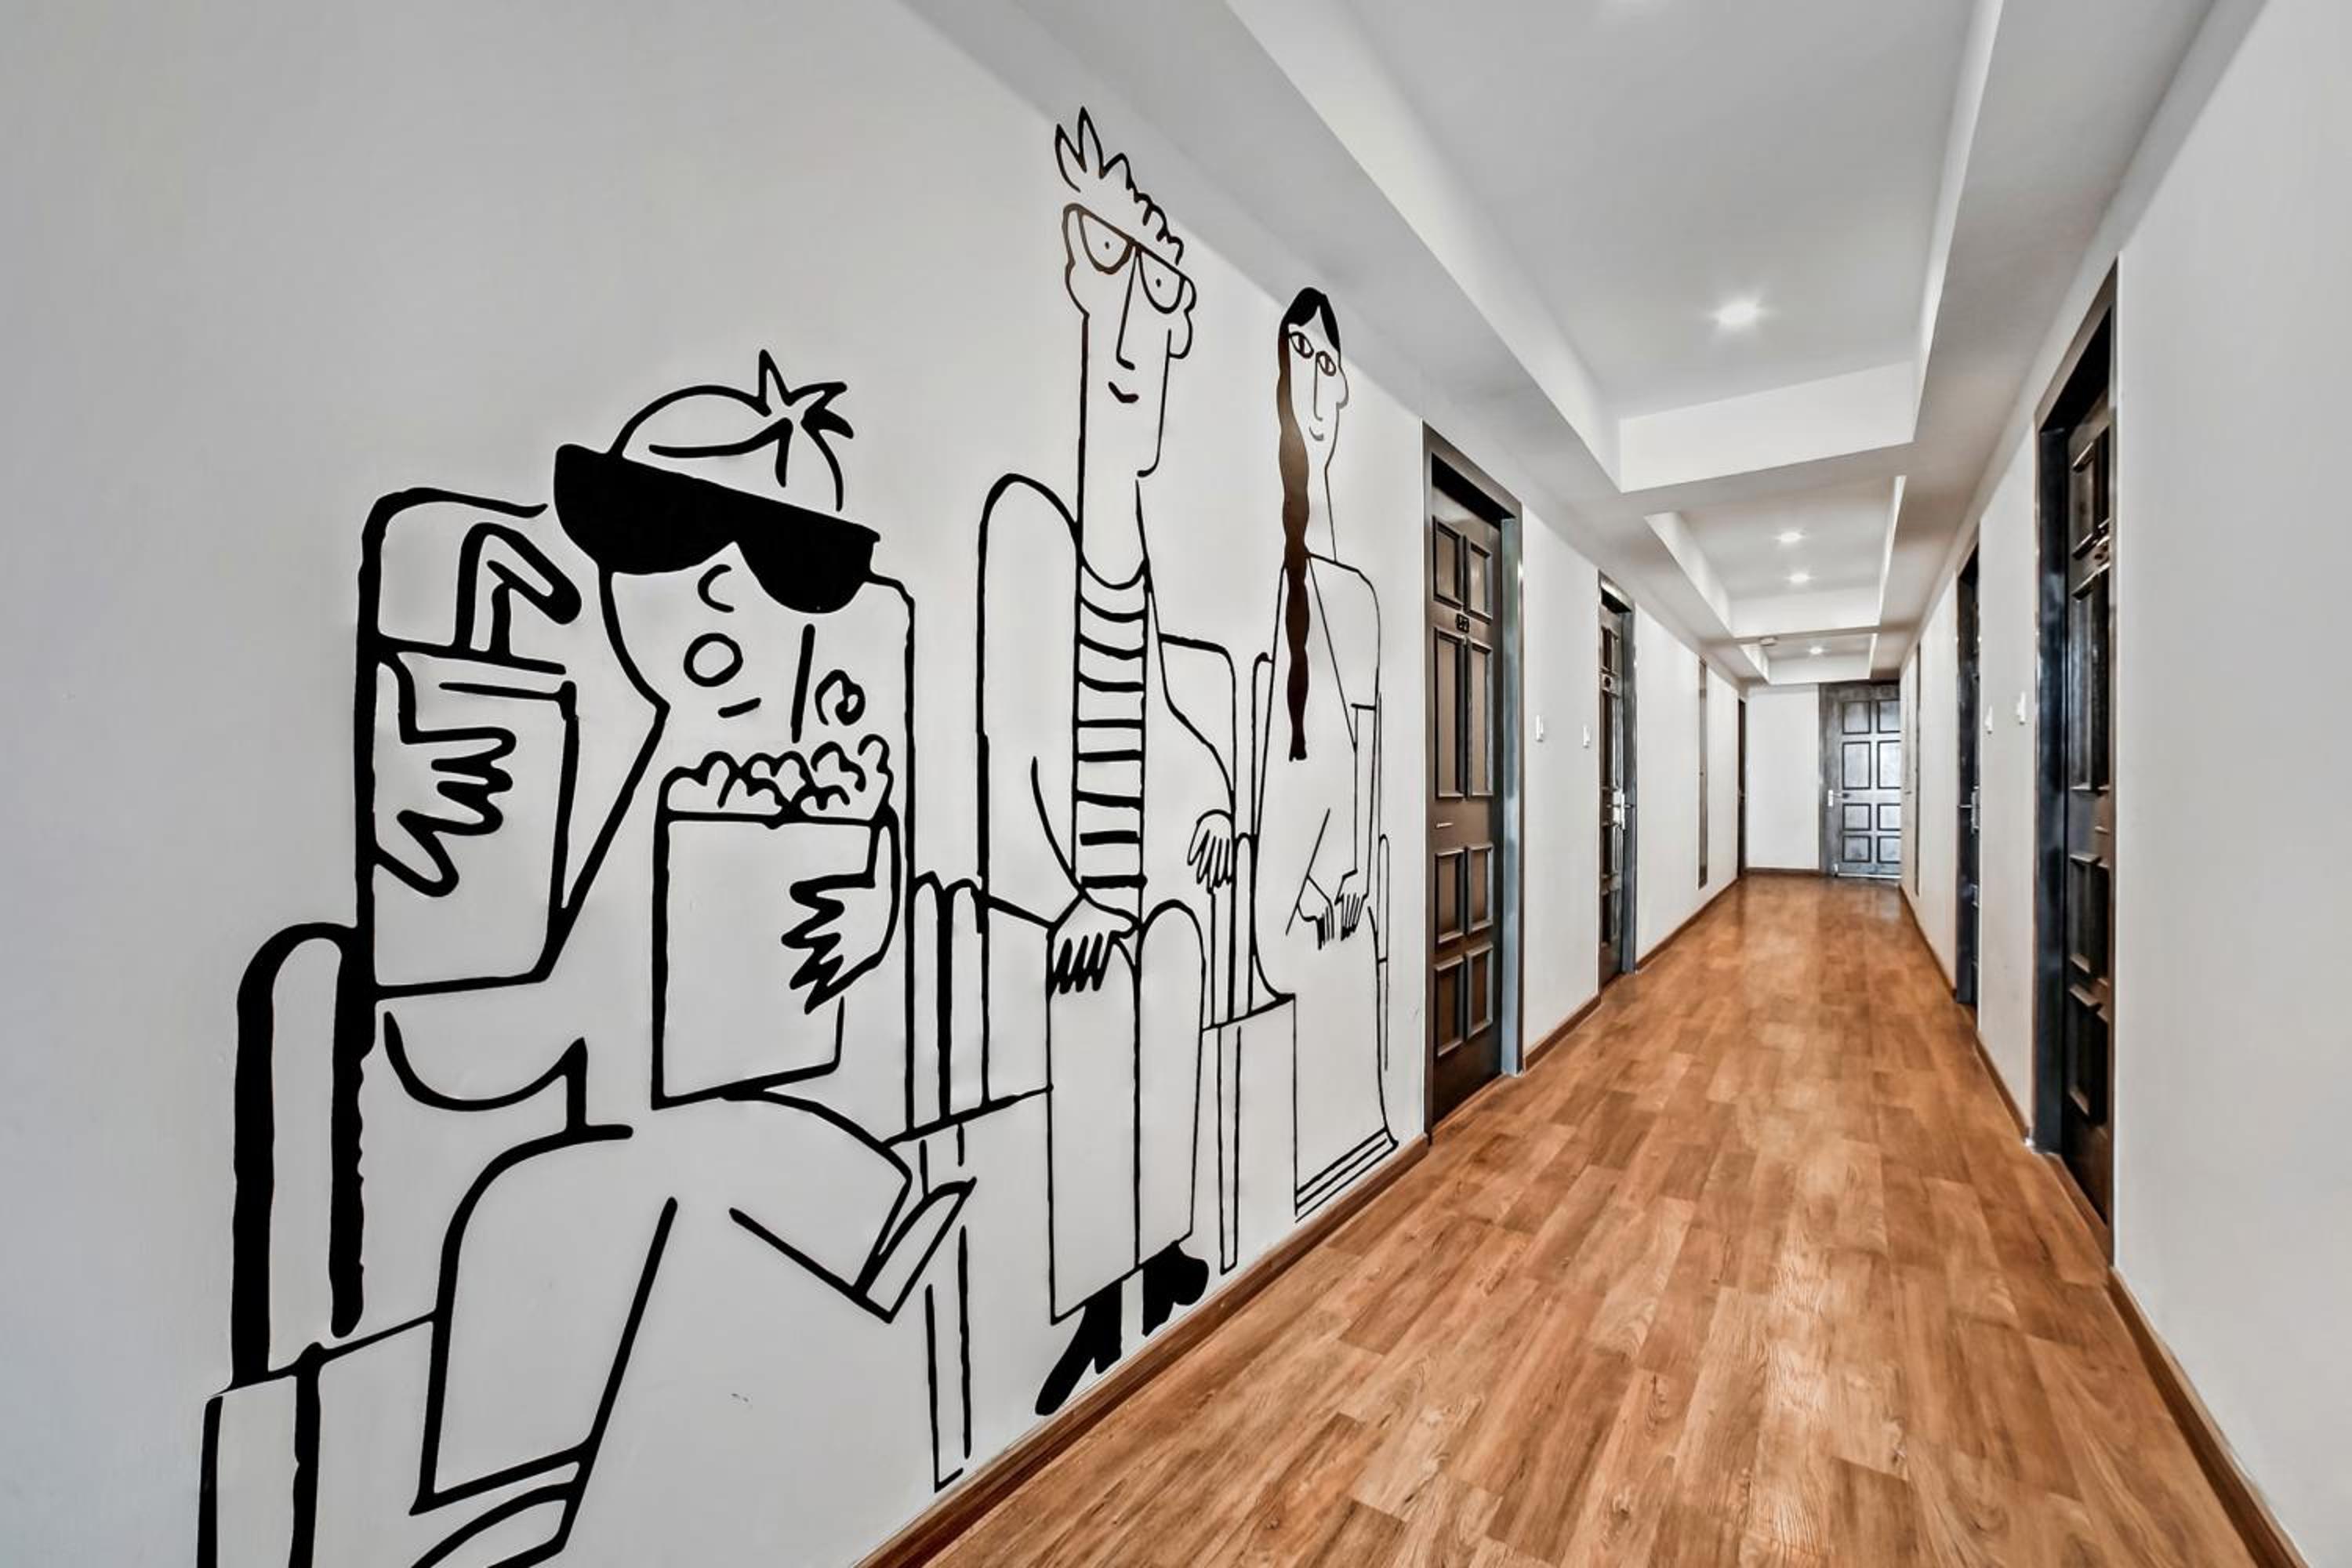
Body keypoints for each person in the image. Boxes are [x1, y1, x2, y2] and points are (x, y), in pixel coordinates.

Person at [977, 110, 1235, 1417]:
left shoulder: (1133, 567)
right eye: (1121, 283)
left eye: (1162, 300)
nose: (1143, 347)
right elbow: (1014, 743)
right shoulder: (1030, 536)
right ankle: (1095, 1298)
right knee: (1090, 1062)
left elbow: (1166, 709)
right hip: (1078, 902)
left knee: (1169, 1007)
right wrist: (1066, 886)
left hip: (1152, 899)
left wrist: (1218, 799)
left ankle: (1165, 1244)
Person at [1250, 288, 1395, 1215]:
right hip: (1282, 863)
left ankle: (1353, 1134)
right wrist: (1299, 874)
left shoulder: (1361, 599)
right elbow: (1274, 760)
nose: (1312, 375)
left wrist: (1355, 872)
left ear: (1342, 391)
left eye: (1327, 360)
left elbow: (1367, 751)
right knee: (1304, 945)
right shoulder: (1281, 580)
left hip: (1333, 858)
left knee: (1356, 931)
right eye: (1298, 353)